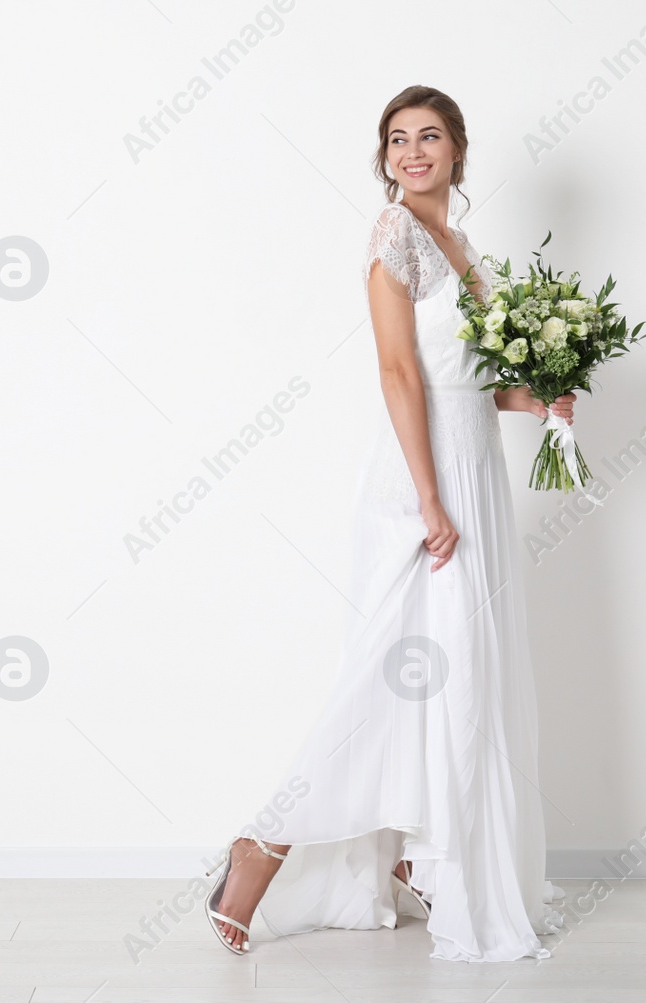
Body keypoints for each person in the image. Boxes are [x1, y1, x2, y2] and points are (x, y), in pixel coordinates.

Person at [204, 85, 570, 963]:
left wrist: (545, 397)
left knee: (457, 674)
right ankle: (261, 849)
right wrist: (429, 498)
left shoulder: (465, 247)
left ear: (457, 151)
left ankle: (417, 852)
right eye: (398, 139)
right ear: (385, 156)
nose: (413, 152)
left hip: (471, 468)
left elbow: (476, 381)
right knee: (385, 676)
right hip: (421, 480)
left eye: (429, 137)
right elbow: (401, 371)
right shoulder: (393, 236)